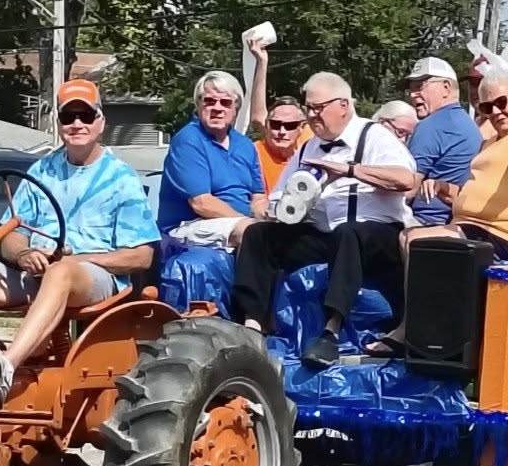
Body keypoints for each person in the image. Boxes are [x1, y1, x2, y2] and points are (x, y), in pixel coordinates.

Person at [0, 79, 159, 399]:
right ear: (59, 124)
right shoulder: (42, 170)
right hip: (34, 271)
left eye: (86, 115)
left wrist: (75, 260)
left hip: (94, 278)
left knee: (61, 272)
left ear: (100, 122)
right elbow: (11, 233)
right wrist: (23, 254)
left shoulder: (121, 178)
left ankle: (7, 365)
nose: (77, 124)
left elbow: (141, 256)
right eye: (68, 117)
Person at [365, 63, 508, 357]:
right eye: (486, 107)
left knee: (418, 241)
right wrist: (445, 189)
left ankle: (416, 329)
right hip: (476, 227)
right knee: (406, 235)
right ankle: (420, 325)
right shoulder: (492, 142)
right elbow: (478, 195)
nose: (495, 112)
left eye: (501, 102)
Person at [231, 72, 418, 367]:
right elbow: (279, 196)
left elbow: (406, 180)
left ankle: (331, 332)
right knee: (258, 234)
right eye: (309, 108)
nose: (312, 115)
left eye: (318, 108)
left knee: (349, 232)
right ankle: (252, 325)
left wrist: (349, 170)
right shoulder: (309, 147)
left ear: (343, 105)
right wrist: (286, 208)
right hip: (327, 234)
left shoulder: (374, 135)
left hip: (378, 235)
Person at [159, 69, 265, 249]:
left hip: (239, 223)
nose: (217, 108)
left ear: (236, 108)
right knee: (252, 233)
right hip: (190, 224)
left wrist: (267, 217)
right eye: (209, 101)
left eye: (225, 102)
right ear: (198, 105)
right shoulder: (188, 141)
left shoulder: (245, 145)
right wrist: (250, 222)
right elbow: (201, 203)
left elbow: (258, 196)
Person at [403, 56, 481, 227]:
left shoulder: (430, 126)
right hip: (455, 220)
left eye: (420, 86)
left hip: (424, 221)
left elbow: (408, 188)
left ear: (446, 88)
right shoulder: (470, 125)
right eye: (411, 89)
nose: (413, 95)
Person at [245, 33, 309, 192]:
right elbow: (258, 117)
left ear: (301, 127)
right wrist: (262, 62)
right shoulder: (254, 152)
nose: (282, 131)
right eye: (275, 124)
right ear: (267, 126)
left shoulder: (310, 144)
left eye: (290, 125)